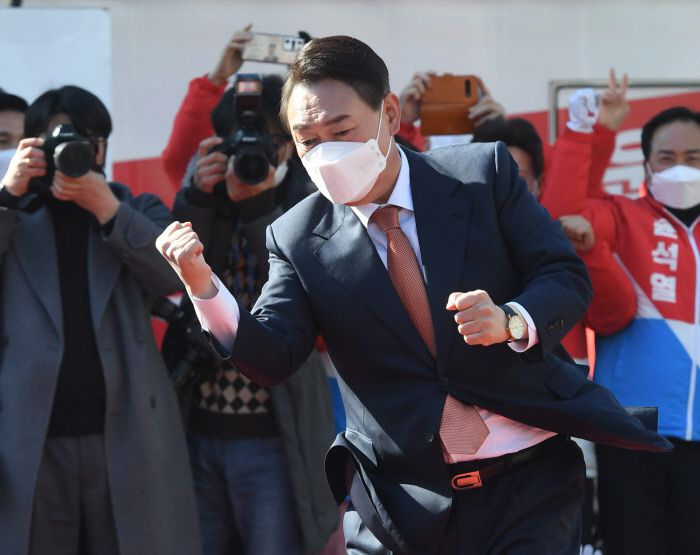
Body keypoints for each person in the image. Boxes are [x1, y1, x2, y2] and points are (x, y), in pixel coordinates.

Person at [157, 36, 671, 555]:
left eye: (342, 131)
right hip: (401, 502)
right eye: (308, 140)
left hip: (528, 486)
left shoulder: (482, 175)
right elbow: (272, 354)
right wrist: (203, 286)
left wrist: (511, 320)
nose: (327, 153)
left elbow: (563, 275)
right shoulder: (296, 236)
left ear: (389, 113)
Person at [0, 85, 201, 555]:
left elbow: (173, 276)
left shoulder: (134, 208)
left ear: (104, 148)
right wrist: (8, 195)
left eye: (88, 140)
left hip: (128, 436)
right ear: (34, 146)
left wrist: (108, 210)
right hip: (33, 439)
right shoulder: (14, 217)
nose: (74, 151)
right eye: (60, 139)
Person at [168, 74, 337, 555]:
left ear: (289, 145)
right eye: (240, 143)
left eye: (267, 142)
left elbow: (307, 301)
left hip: (275, 437)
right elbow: (170, 280)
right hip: (198, 428)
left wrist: (261, 207)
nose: (253, 155)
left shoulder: (309, 202)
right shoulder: (207, 199)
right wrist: (200, 200)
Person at [542, 90, 700, 554]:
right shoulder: (621, 215)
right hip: (633, 431)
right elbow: (562, 213)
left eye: (693, 157)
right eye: (666, 157)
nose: (680, 168)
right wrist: (588, 134)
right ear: (646, 164)